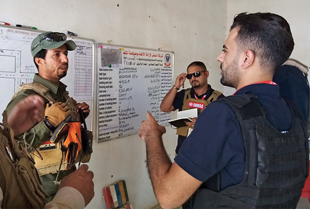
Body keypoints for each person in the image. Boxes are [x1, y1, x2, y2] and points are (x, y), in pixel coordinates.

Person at [139, 12, 309, 209]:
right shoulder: (293, 112)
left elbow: (168, 197)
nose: (220, 57)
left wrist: (152, 135)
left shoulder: (225, 113)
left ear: (246, 58)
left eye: (226, 50)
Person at [5, 31, 91, 198]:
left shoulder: (60, 94)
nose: (65, 59)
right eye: (56, 54)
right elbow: (8, 149)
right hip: (41, 193)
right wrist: (48, 124)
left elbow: (60, 135)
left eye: (65, 54)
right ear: (39, 61)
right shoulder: (27, 99)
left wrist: (78, 116)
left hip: (66, 181)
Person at [0, 95, 94, 209]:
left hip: (66, 175)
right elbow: (24, 146)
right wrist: (70, 199)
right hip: (46, 186)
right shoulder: (26, 95)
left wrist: (78, 115)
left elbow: (14, 146)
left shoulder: (60, 93)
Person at [160, 61, 223, 154]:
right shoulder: (184, 95)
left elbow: (223, 128)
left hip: (206, 153)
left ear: (206, 74)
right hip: (183, 151)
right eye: (189, 76)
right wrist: (176, 87)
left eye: (196, 74)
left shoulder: (218, 99)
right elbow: (164, 108)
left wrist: (202, 124)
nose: (193, 78)